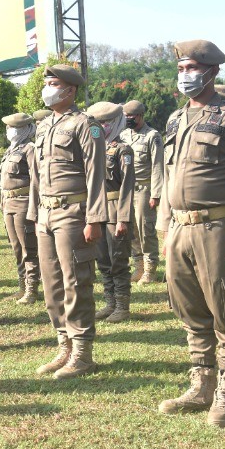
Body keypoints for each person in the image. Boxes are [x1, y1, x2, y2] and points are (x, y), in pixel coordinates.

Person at [157, 41, 225, 427]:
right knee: (190, 310)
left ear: (211, 71)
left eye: (191, 68)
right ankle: (200, 383)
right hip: (179, 229)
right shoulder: (175, 119)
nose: (185, 74)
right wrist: (165, 228)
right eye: (181, 68)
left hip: (218, 228)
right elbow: (169, 176)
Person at [27, 64, 106, 379]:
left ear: (70, 90)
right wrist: (35, 214)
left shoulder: (85, 125)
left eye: (53, 83)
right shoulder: (44, 125)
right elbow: (37, 174)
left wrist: (95, 218)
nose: (47, 88)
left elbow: (96, 173)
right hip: (46, 214)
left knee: (76, 282)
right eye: (46, 83)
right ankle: (64, 345)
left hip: (73, 213)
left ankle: (82, 352)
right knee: (52, 284)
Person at [89, 102, 136, 323]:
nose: (101, 127)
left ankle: (122, 307)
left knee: (118, 259)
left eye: (106, 122)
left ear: (116, 122)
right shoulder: (93, 148)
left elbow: (127, 186)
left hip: (116, 209)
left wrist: (123, 219)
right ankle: (110, 303)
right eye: (98, 123)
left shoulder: (123, 149)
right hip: (99, 210)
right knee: (103, 259)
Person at [120, 99, 164, 285]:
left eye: (131, 116)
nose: (128, 119)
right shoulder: (123, 135)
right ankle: (138, 265)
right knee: (130, 230)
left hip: (144, 188)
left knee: (146, 229)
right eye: (126, 116)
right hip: (126, 190)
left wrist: (156, 194)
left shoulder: (152, 136)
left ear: (140, 116)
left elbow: (157, 166)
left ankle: (150, 269)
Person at [0, 112, 40, 304]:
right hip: (8, 203)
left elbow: (36, 181)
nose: (8, 131)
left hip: (23, 202)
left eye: (12, 127)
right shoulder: (11, 150)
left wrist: (34, 209)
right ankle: (22, 286)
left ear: (23, 129)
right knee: (16, 247)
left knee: (28, 247)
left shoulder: (29, 149)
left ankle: (32, 289)